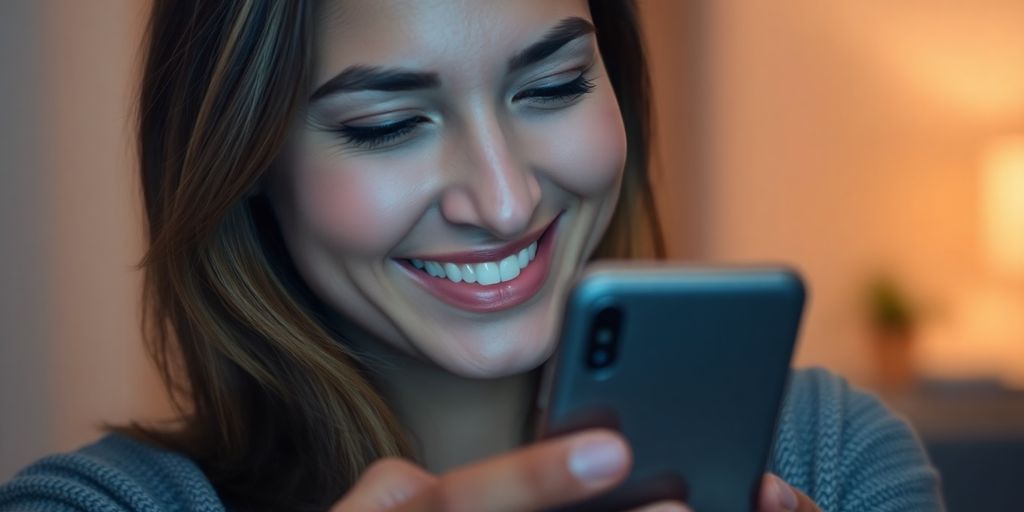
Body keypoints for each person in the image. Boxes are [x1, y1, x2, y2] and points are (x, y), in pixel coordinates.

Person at [0, 1, 944, 511]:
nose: (503, 200)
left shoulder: (833, 455)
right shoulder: (95, 507)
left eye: (556, 84)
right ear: (246, 157)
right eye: (389, 124)